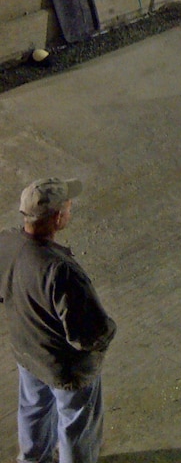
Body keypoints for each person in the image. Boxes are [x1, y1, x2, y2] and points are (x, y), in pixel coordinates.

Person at [0, 178, 116, 463]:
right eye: (67, 206)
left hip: (27, 350)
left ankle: (33, 459)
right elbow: (89, 333)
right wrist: (107, 336)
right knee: (77, 425)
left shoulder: (6, 243)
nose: (70, 208)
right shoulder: (60, 270)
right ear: (57, 217)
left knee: (33, 408)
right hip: (65, 368)